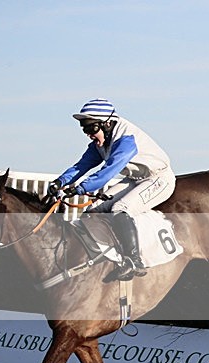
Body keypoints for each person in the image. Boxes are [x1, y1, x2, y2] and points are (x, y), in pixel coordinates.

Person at [50, 98, 176, 280]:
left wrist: (80, 189)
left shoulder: (125, 140)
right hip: (135, 179)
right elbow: (82, 165)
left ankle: (134, 261)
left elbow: (107, 173)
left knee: (120, 209)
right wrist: (60, 182)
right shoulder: (101, 142)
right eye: (84, 128)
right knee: (93, 210)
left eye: (91, 128)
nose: (88, 134)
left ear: (107, 124)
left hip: (158, 178)